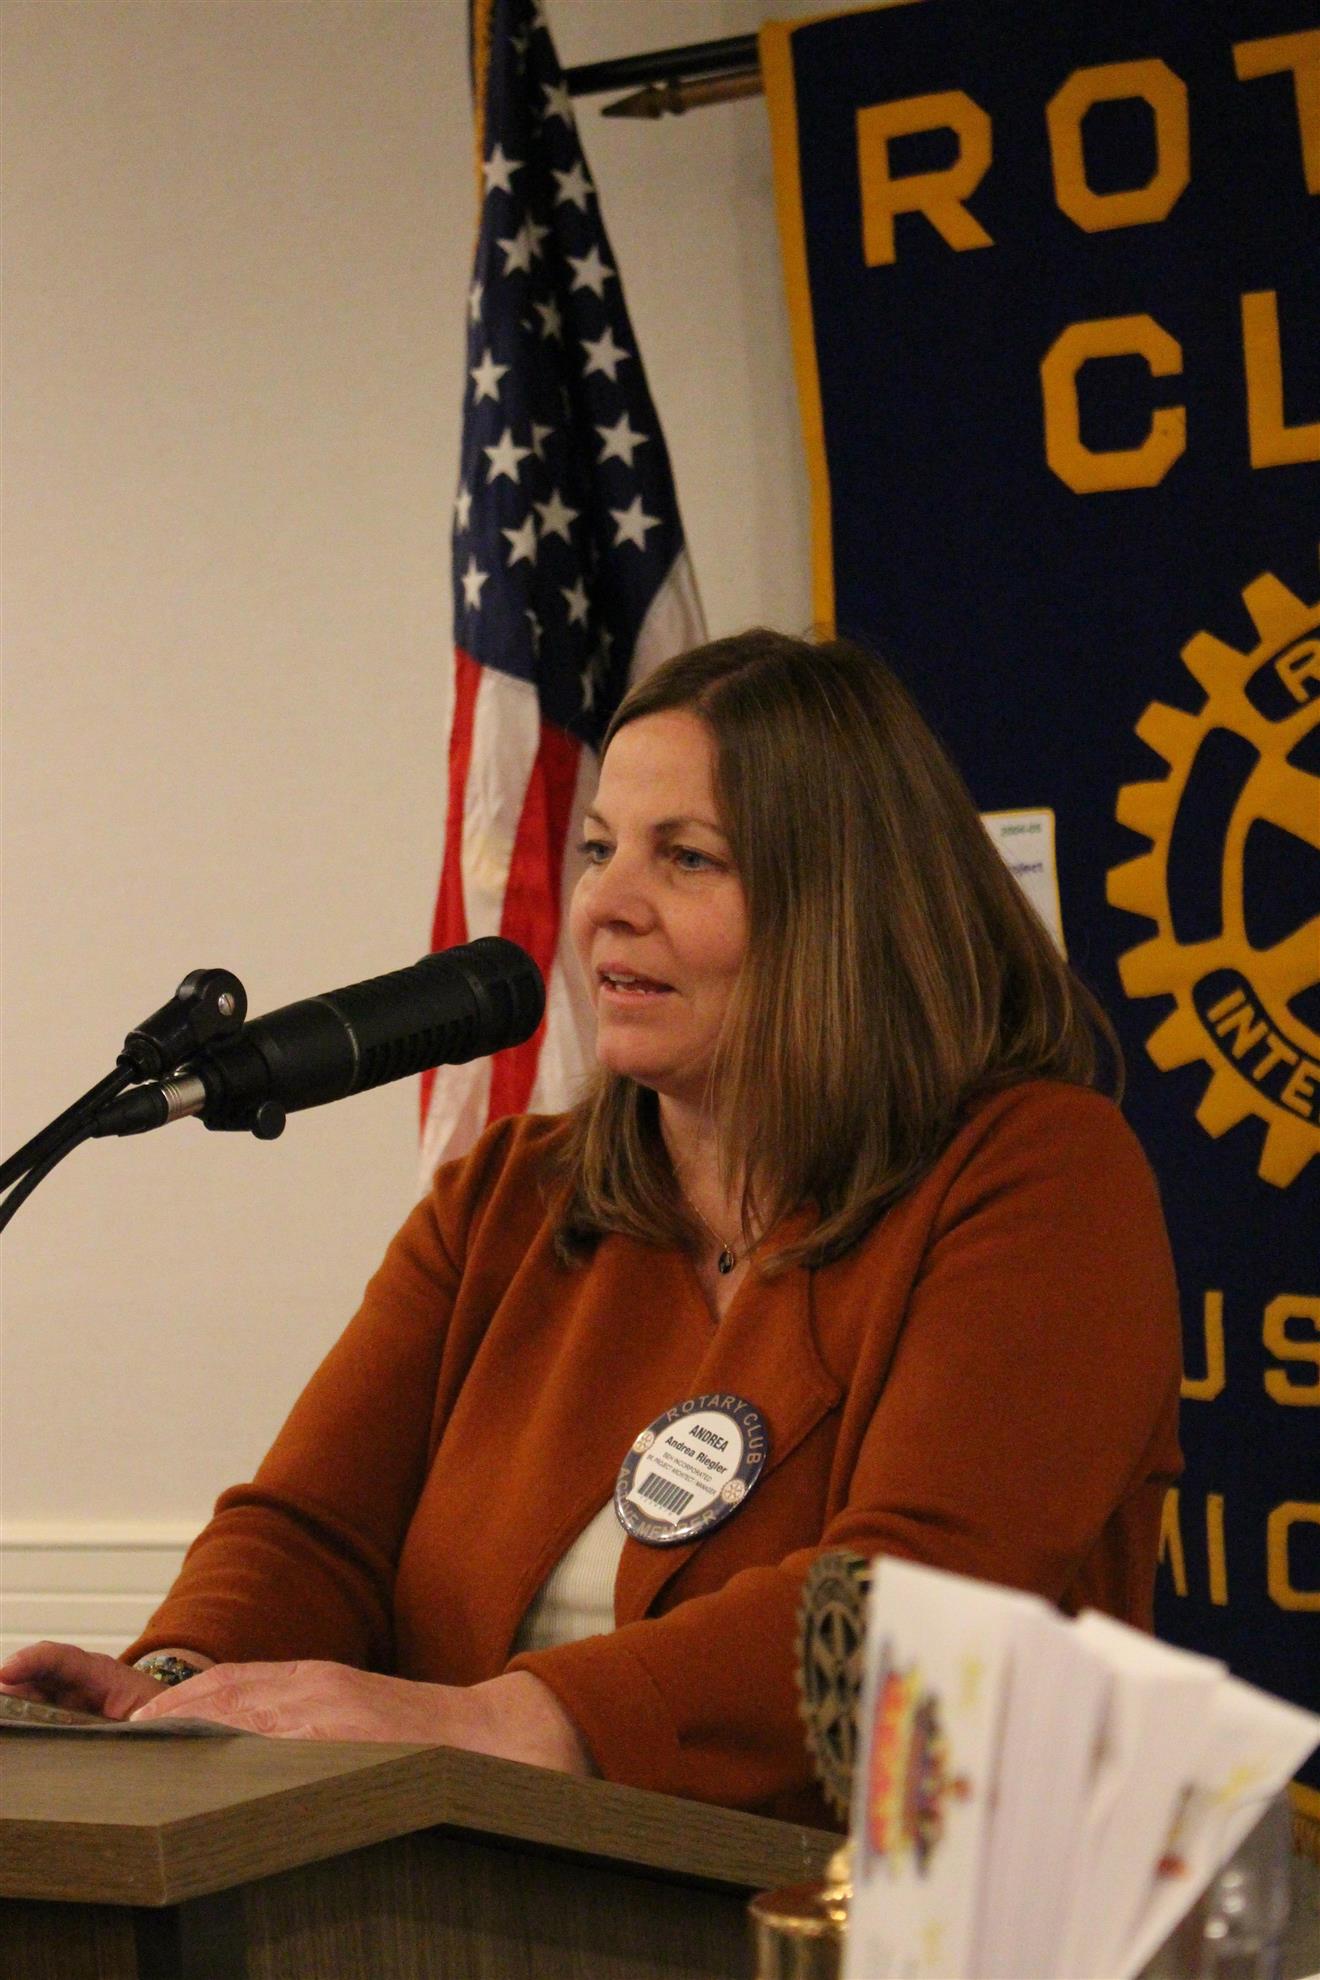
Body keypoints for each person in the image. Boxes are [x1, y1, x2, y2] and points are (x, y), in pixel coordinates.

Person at [0, 629, 1182, 1824]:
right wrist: (178, 1689)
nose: (606, 906)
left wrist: (500, 1724)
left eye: (688, 859)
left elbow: (919, 1606)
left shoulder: (1040, 1176)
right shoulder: (512, 1201)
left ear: (843, 906)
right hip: (492, 1902)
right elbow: (314, 1534)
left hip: (888, 1899)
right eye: (601, 850)